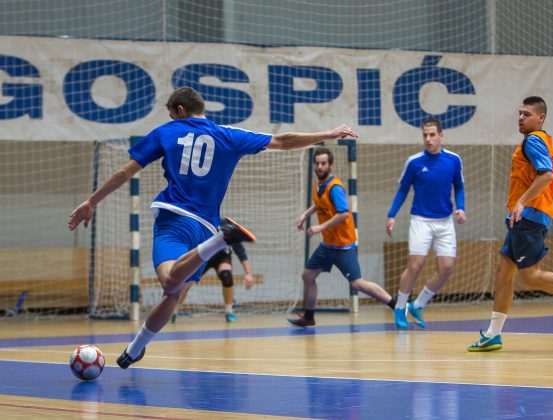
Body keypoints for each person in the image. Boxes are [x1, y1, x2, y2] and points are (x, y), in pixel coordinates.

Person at [68, 86, 358, 367]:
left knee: (169, 282)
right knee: (172, 293)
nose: (171, 119)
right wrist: (327, 134)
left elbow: (125, 171)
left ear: (180, 110)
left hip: (174, 220)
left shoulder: (166, 132)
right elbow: (283, 141)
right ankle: (134, 350)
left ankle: (222, 240)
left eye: (172, 114)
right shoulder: (228, 135)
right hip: (205, 228)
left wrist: (92, 201)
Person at [468, 96, 553, 352]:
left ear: (540, 118)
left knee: (530, 276)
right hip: (527, 216)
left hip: (530, 216)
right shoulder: (545, 141)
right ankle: (493, 334)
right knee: (504, 272)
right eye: (520, 113)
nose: (521, 118)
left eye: (527, 114)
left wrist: (521, 202)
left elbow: (546, 175)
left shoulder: (533, 141)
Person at [286, 147, 396, 328]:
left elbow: (344, 213)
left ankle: (396, 306)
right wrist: (305, 214)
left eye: (323, 163)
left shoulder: (335, 187)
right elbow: (319, 203)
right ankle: (309, 317)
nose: (319, 167)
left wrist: (320, 227)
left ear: (330, 165)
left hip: (343, 246)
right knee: (308, 275)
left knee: (357, 284)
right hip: (327, 246)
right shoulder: (318, 185)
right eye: (317, 163)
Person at [386, 119, 466, 329]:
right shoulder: (414, 162)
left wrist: (461, 207)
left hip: (445, 221)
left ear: (441, 135)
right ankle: (400, 307)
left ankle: (418, 305)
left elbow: (459, 186)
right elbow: (403, 190)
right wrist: (392, 215)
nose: (428, 139)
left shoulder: (453, 160)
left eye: (432, 135)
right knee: (416, 265)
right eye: (425, 135)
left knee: (447, 267)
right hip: (421, 220)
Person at [174, 239, 254, 322]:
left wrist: (248, 273)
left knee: (226, 276)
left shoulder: (228, 230)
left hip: (222, 256)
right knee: (187, 282)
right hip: (204, 256)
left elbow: (239, 249)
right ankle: (173, 311)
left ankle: (229, 311)